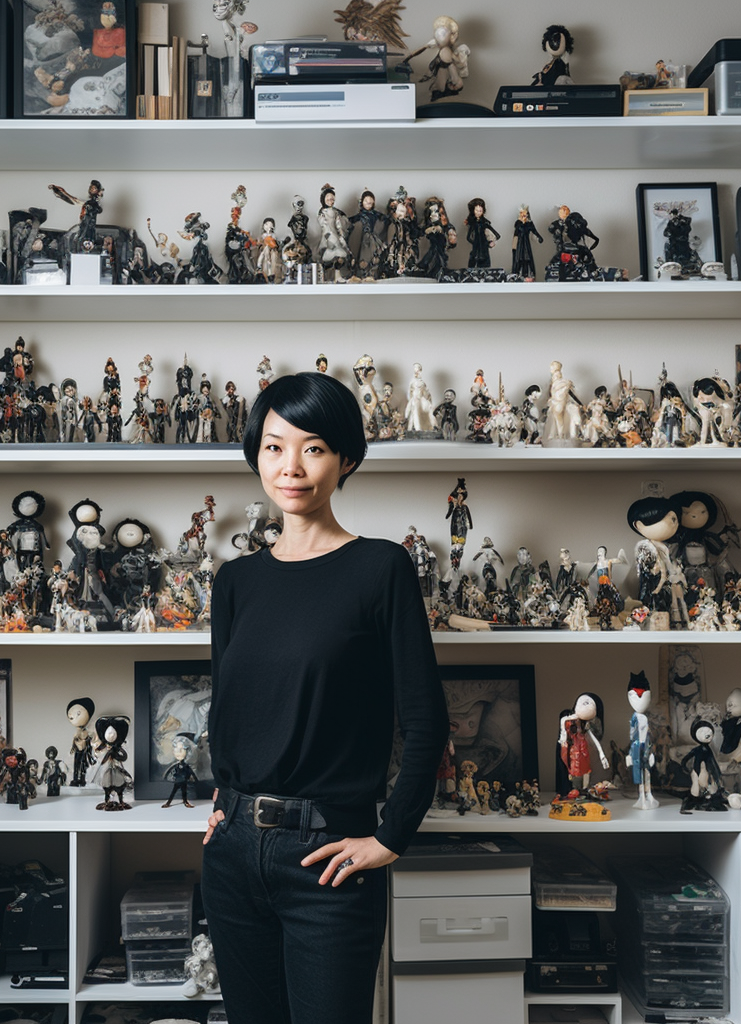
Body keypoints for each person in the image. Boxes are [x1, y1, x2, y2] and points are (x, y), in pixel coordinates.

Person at [201, 371, 446, 1024]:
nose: (292, 467)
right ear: (256, 456)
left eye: (313, 448)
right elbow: (232, 703)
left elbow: (425, 720)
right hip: (231, 856)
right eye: (274, 447)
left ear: (346, 459)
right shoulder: (236, 581)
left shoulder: (380, 568)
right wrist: (223, 794)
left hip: (328, 857)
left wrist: (391, 835)